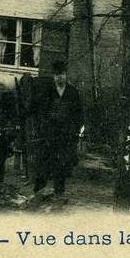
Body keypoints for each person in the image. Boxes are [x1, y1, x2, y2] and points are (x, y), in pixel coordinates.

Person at [31, 60, 83, 199]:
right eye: (56, 75)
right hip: (48, 133)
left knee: (61, 163)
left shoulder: (72, 93)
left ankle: (59, 192)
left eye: (62, 74)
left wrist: (76, 131)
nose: (59, 77)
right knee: (44, 161)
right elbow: (41, 111)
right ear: (53, 76)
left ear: (66, 75)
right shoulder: (47, 91)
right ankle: (38, 190)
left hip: (65, 135)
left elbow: (78, 114)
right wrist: (44, 126)